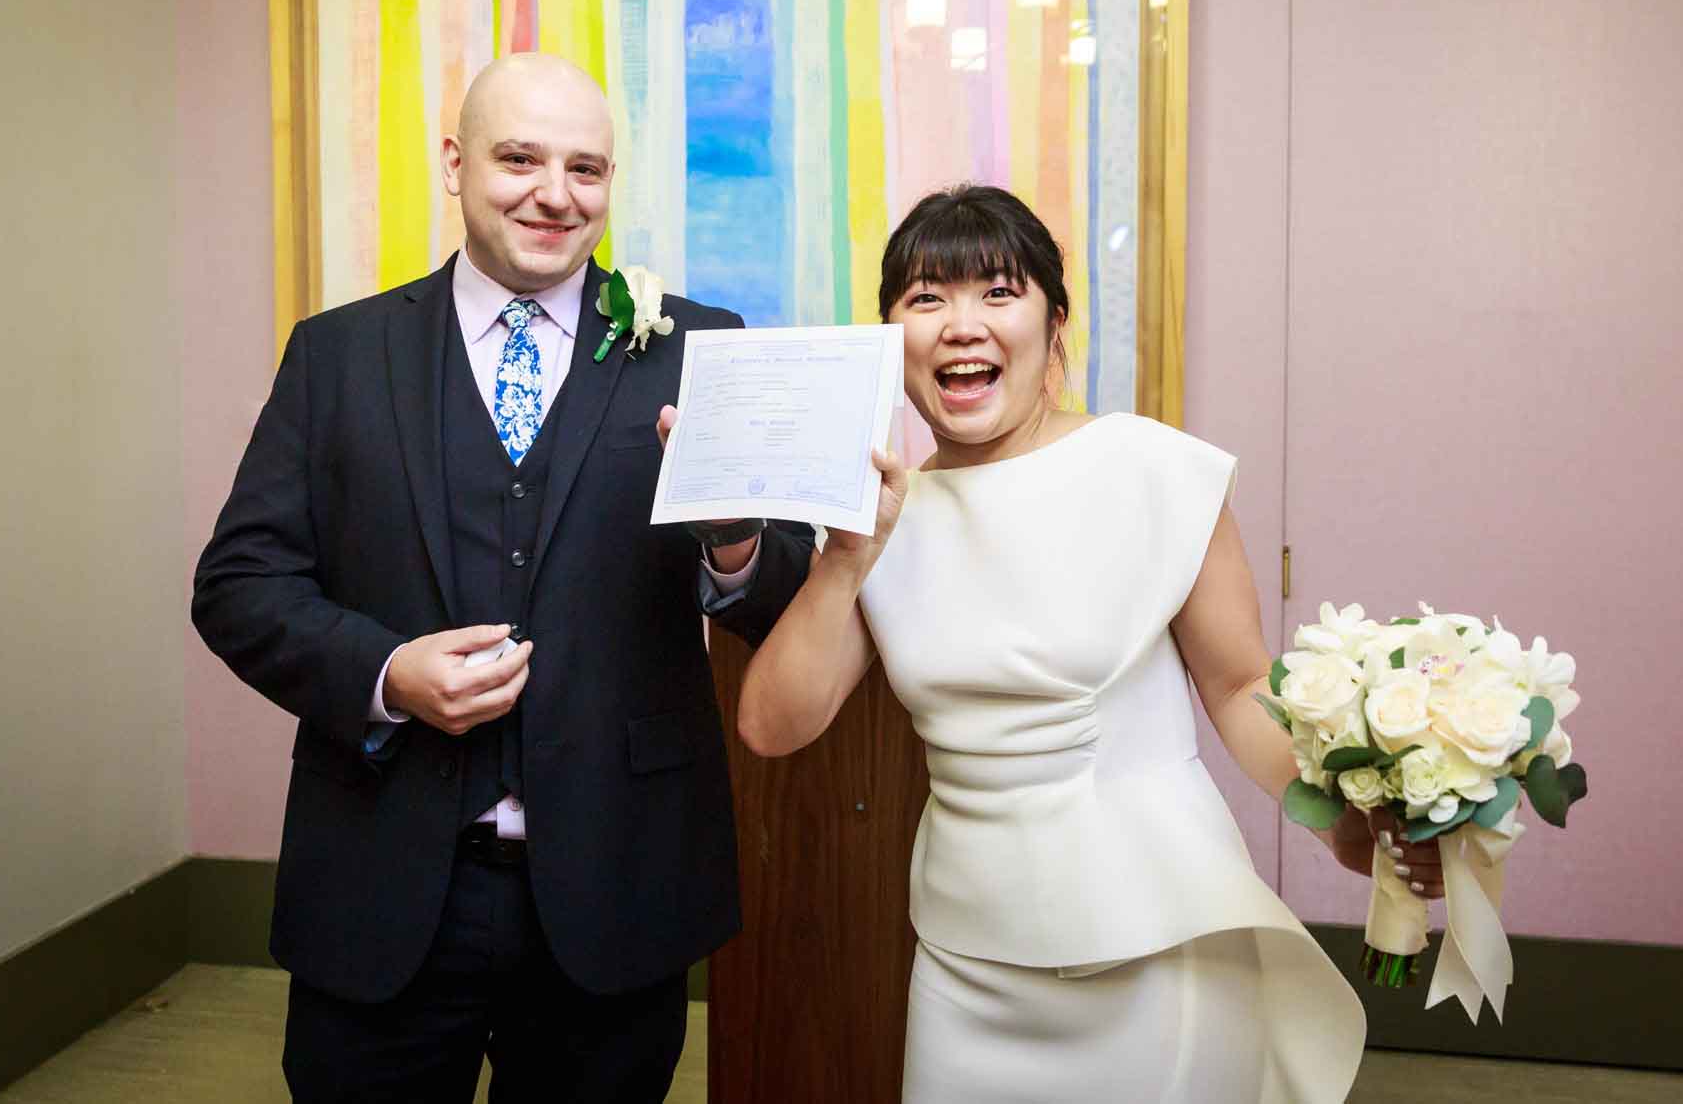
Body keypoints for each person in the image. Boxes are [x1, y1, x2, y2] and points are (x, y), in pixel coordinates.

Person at [733, 185, 1443, 1101]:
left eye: (999, 292)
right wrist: (843, 562)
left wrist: (1346, 825)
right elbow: (771, 726)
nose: (961, 324)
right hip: (965, 962)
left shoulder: (1152, 467)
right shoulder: (884, 520)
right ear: (889, 340)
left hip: (1157, 941)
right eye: (926, 298)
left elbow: (1239, 687)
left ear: (1054, 323)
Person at [192, 53, 811, 1102]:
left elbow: (788, 594)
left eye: (585, 168)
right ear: (455, 164)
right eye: (519, 158)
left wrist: (733, 540)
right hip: (380, 880)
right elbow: (238, 582)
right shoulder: (338, 356)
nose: (554, 194)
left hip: (615, 882)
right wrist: (385, 672)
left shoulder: (701, 348)